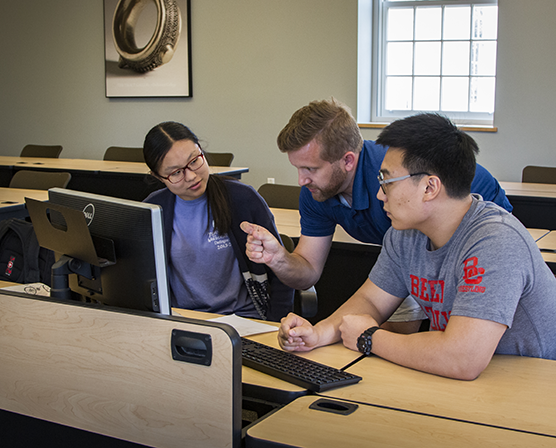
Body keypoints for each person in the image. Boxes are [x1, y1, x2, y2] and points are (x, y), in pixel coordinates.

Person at [270, 113, 556, 380]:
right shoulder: (405, 234)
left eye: (387, 182)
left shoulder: (496, 240)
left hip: (532, 383)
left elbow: (462, 358)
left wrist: (369, 337)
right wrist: (318, 334)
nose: (380, 194)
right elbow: (370, 302)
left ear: (429, 188)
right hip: (469, 380)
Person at [241, 98, 512, 331]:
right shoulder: (318, 190)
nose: (301, 180)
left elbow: (413, 293)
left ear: (348, 160)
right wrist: (279, 259)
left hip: (469, 233)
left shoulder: (398, 184)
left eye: (310, 168)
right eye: (298, 168)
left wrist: (371, 336)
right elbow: (310, 271)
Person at [142, 121, 293, 321]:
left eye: (195, 160)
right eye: (176, 173)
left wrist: (277, 325)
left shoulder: (242, 199)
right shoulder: (153, 210)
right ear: (159, 177)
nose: (191, 176)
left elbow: (282, 269)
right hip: (183, 321)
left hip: (244, 322)